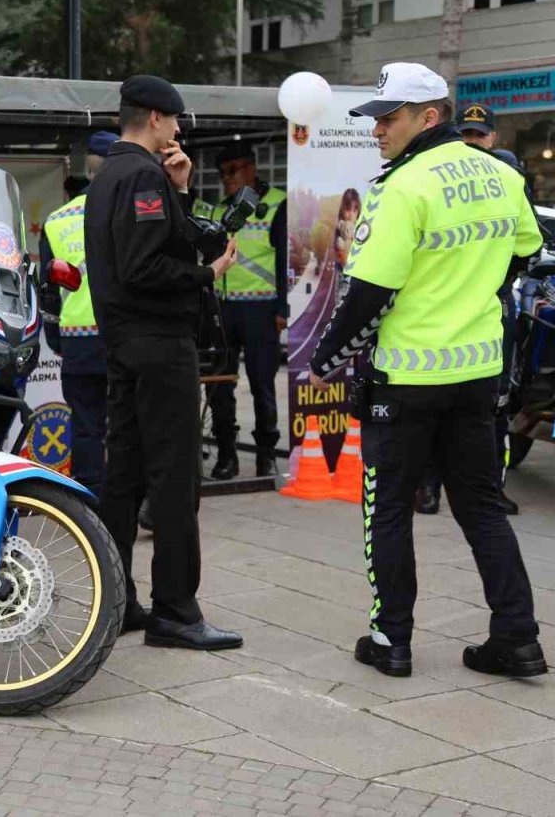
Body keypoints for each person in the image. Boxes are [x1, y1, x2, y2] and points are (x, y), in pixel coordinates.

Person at [310, 62, 546, 679]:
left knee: (386, 509)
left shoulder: (403, 187)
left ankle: (392, 642)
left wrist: (326, 359)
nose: (377, 130)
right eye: (375, 118)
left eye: (388, 118)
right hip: (477, 377)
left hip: (406, 382)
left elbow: (369, 296)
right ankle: (517, 639)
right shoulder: (501, 175)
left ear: (429, 116)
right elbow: (526, 251)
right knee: (483, 506)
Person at [84, 74, 242, 648]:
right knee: (175, 479)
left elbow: (143, 245)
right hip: (158, 342)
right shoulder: (140, 174)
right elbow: (147, 266)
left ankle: (117, 599)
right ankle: (176, 610)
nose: (177, 131)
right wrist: (209, 274)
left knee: (123, 475)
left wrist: (179, 193)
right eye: (174, 121)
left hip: (124, 341)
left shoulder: (110, 174)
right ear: (154, 118)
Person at [416, 102, 522, 517]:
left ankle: (491, 488)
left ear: (493, 138)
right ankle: (428, 487)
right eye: (466, 134)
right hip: (443, 305)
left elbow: (525, 246)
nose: (472, 141)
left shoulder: (507, 180)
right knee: (432, 398)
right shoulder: (440, 179)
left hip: (492, 306)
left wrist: (494, 284)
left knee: (496, 402)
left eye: (479, 135)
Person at [38, 130, 117, 495]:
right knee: (130, 423)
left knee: (86, 426)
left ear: (88, 167)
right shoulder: (123, 206)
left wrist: (57, 339)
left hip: (77, 342)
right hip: (122, 336)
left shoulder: (56, 220)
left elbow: (48, 290)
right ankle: (133, 499)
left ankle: (89, 501)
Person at [204, 142, 288, 479]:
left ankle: (266, 454)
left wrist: (283, 307)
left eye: (234, 170)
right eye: (222, 173)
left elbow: (285, 260)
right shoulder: (219, 209)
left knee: (262, 384)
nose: (227, 179)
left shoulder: (277, 205)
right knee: (219, 386)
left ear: (252, 169)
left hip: (261, 310)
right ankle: (227, 455)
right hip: (223, 309)